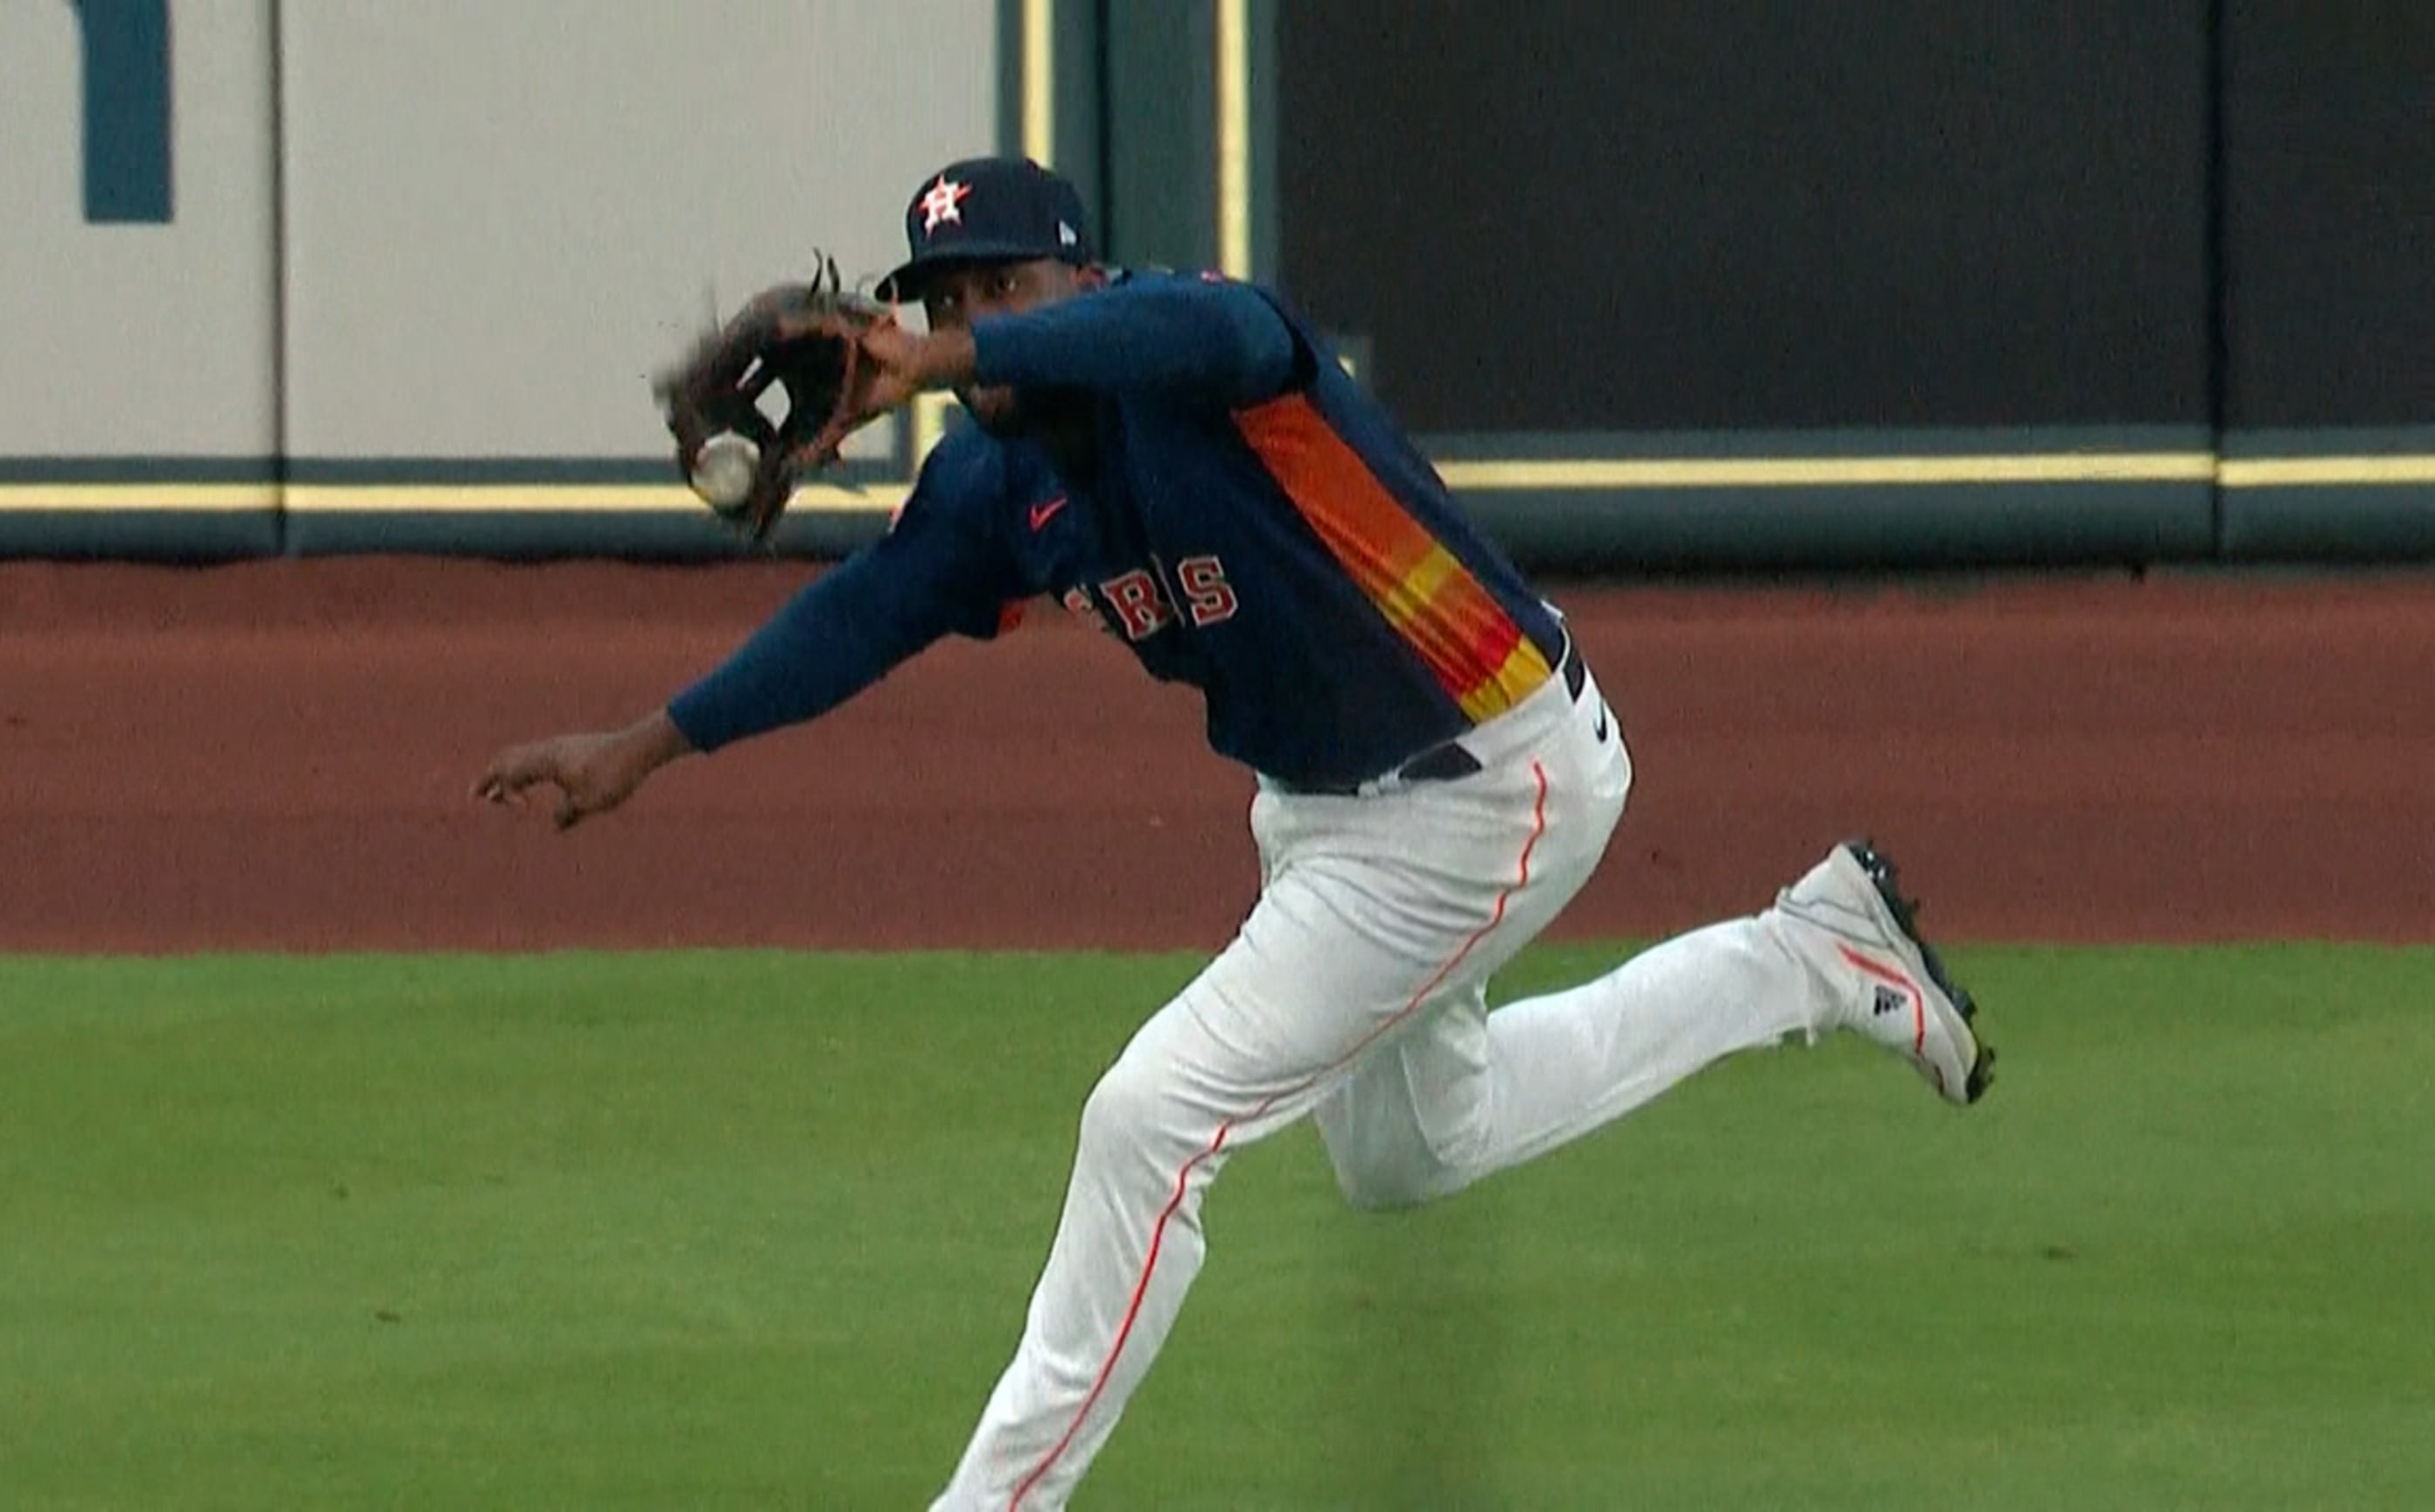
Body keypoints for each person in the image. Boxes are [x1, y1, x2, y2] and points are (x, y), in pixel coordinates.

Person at [475, 155, 1994, 1511]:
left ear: (1081, 279)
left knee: (1148, 1120)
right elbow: (861, 618)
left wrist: (945, 348)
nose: (968, 312)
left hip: (1493, 783)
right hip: (1328, 819)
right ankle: (1809, 952)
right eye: (938, 292)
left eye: (1001, 284)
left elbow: (1216, 331)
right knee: (1413, 1154)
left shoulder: (1204, 352)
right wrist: (650, 743)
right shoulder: (998, 483)